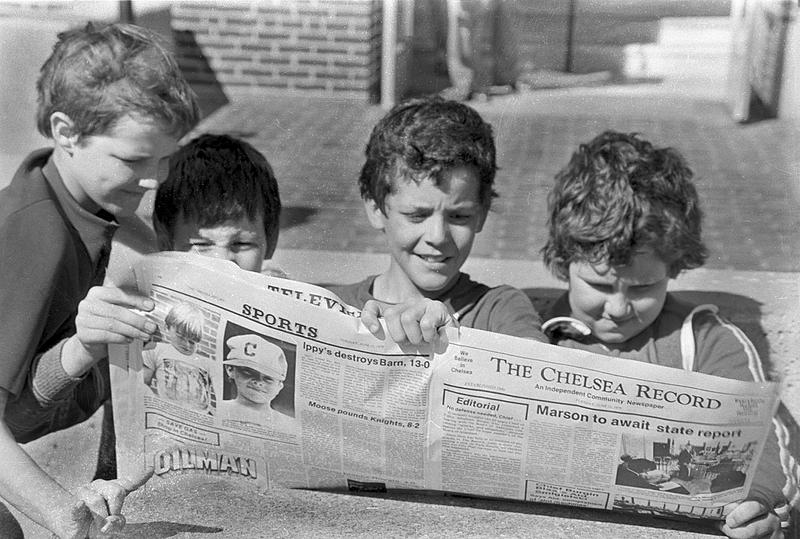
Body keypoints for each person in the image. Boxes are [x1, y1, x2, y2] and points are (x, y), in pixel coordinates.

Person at [541, 130, 798, 538]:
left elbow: (768, 437)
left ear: (673, 269)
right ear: (562, 260)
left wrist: (759, 501)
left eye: (642, 288)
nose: (619, 308)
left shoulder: (705, 340)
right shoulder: (535, 332)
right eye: (601, 286)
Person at [0, 21, 199, 537]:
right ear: (67, 133)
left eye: (164, 159)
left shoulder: (94, 214)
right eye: (134, 159)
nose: (154, 178)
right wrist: (66, 517)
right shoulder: (34, 235)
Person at [329, 96, 545, 345]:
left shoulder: (501, 311)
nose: (437, 236)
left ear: (482, 214)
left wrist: (452, 339)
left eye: (459, 216)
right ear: (376, 209)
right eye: (417, 215)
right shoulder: (332, 306)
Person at [142, 302, 215, 414]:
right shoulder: (157, 349)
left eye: (192, 342)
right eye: (180, 337)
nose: (186, 345)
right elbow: (142, 383)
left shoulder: (206, 363)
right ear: (167, 327)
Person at [217, 334, 294, 430]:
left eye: (268, 378)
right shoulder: (216, 409)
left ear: (279, 386)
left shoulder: (289, 425)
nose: (258, 382)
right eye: (248, 372)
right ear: (230, 370)